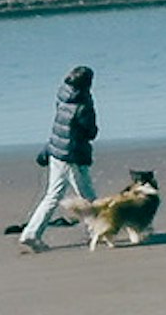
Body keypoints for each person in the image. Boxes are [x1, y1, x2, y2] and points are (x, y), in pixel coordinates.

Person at [15, 66, 101, 249]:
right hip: (73, 155)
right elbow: (91, 132)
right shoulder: (83, 104)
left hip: (57, 150)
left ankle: (32, 232)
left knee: (57, 194)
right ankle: (97, 231)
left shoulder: (63, 96)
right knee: (84, 196)